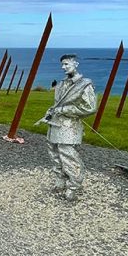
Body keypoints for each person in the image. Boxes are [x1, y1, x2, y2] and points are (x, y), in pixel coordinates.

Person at [36, 54, 97, 201]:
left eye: (66, 64)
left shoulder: (85, 84)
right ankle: (60, 180)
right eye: (62, 65)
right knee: (54, 152)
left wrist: (64, 110)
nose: (63, 67)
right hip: (55, 124)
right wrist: (52, 111)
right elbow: (58, 103)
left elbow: (90, 107)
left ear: (75, 64)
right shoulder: (62, 83)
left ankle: (74, 186)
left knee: (68, 155)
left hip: (69, 127)